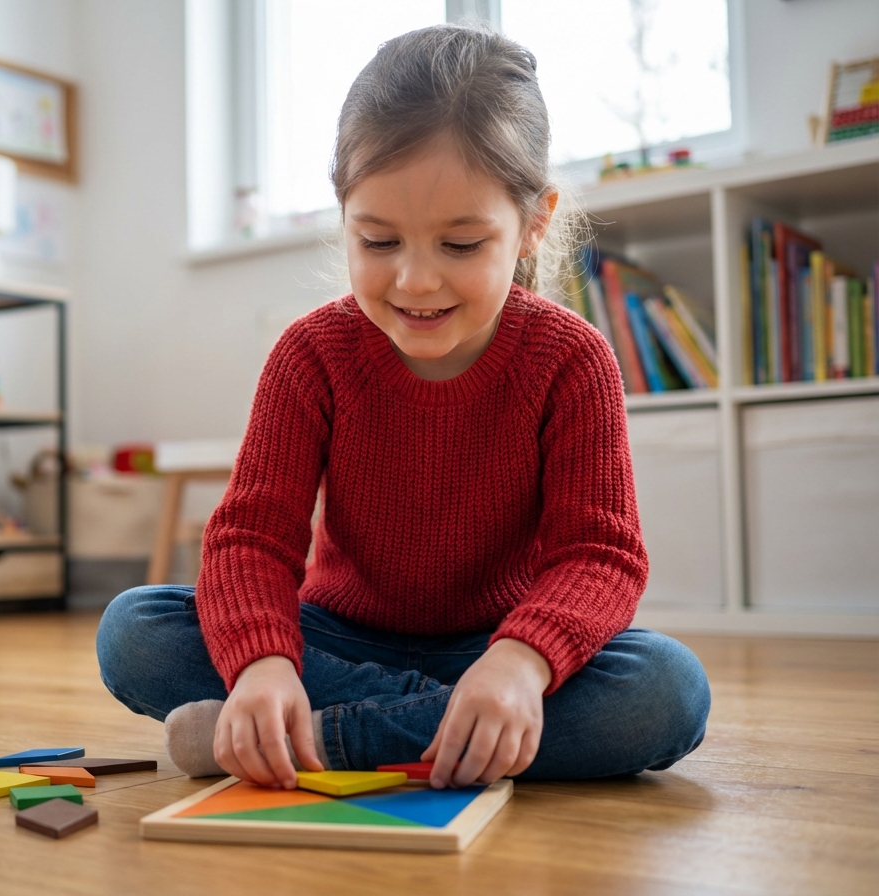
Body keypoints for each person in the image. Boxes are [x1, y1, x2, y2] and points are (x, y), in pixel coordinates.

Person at [97, 23, 710, 791]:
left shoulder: (572, 360)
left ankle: (328, 737)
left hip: (498, 645)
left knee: (666, 690)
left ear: (535, 223)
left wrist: (520, 664)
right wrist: (263, 665)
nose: (416, 281)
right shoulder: (311, 354)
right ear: (344, 217)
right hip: (333, 638)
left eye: (460, 246)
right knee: (135, 631)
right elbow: (252, 537)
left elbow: (599, 556)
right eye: (379, 241)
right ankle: (438, 735)